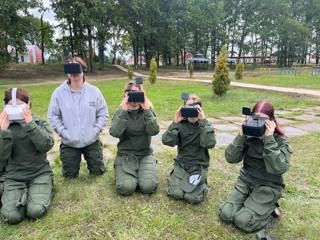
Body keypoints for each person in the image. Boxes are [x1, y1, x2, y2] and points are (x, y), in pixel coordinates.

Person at [219, 101, 293, 233]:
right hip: (246, 181)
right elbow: (230, 158)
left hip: (268, 187)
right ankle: (251, 203)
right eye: (255, 118)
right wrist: (241, 135)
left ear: (271, 121)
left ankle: (270, 208)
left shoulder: (280, 141)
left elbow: (279, 168)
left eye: (262, 119)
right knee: (226, 215)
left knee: (243, 221)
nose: (258, 122)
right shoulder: (248, 136)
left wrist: (269, 139)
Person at [0, 88, 54, 224]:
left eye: (19, 105)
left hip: (39, 173)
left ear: (28, 105)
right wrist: (3, 132)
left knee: (35, 211)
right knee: (12, 217)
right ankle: (19, 193)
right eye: (11, 105)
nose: (15, 109)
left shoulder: (39, 122)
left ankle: (41, 189)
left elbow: (46, 145)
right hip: (13, 177)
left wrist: (30, 125)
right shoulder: (3, 126)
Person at [48, 57, 108, 178]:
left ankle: (100, 157)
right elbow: (53, 116)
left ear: (83, 70)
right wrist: (63, 132)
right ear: (67, 72)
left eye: (77, 68)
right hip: (69, 141)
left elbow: (103, 113)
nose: (74, 73)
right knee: (69, 176)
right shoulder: (59, 93)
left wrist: (96, 130)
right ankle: (70, 163)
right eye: (70, 69)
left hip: (91, 140)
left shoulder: (94, 91)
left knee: (98, 171)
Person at [162, 95, 216, 203]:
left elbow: (210, 144)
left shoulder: (205, 125)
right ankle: (176, 179)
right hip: (182, 164)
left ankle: (202, 184)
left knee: (192, 198)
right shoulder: (180, 125)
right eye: (188, 107)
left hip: (198, 166)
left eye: (195, 107)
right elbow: (167, 141)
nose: (192, 110)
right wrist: (175, 123)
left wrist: (203, 122)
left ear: (201, 109)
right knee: (176, 194)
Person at [109, 78, 159, 195]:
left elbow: (154, 131)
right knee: (126, 188)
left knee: (148, 187)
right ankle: (128, 174)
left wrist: (146, 109)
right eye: (131, 94)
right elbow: (115, 132)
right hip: (125, 155)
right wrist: (123, 110)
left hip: (145, 154)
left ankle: (140, 175)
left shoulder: (148, 112)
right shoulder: (121, 112)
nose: (134, 99)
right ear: (125, 96)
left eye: (138, 94)